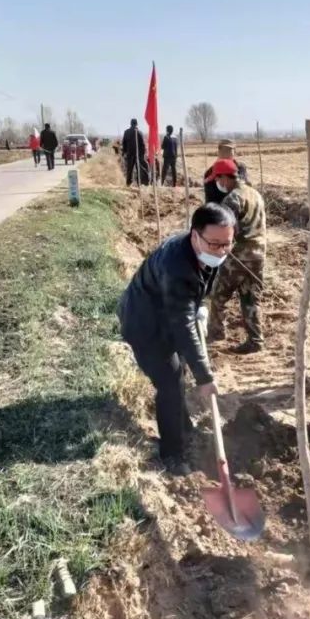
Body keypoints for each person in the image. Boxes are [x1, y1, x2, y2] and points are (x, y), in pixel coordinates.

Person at [118, 203, 236, 476]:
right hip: (145, 324)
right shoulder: (176, 265)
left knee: (180, 370)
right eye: (215, 244)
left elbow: (201, 284)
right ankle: (172, 453)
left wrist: (200, 305)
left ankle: (183, 424)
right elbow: (182, 325)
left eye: (227, 244)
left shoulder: (209, 250)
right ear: (194, 235)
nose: (221, 251)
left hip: (169, 314)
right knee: (170, 382)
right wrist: (205, 377)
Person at [206, 159, 267, 354]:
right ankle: (255, 340)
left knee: (217, 294)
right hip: (259, 254)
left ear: (225, 177)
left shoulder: (232, 199)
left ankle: (216, 333)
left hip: (239, 256)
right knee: (250, 298)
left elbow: (227, 229)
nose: (219, 183)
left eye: (219, 179)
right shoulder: (255, 194)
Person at [122, 118, 148, 186]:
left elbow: (124, 143)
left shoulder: (126, 132)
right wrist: (143, 154)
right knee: (139, 169)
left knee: (129, 169)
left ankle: (128, 183)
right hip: (138, 154)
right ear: (136, 124)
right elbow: (142, 144)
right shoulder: (139, 132)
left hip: (129, 153)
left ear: (130, 124)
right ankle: (139, 183)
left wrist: (124, 152)